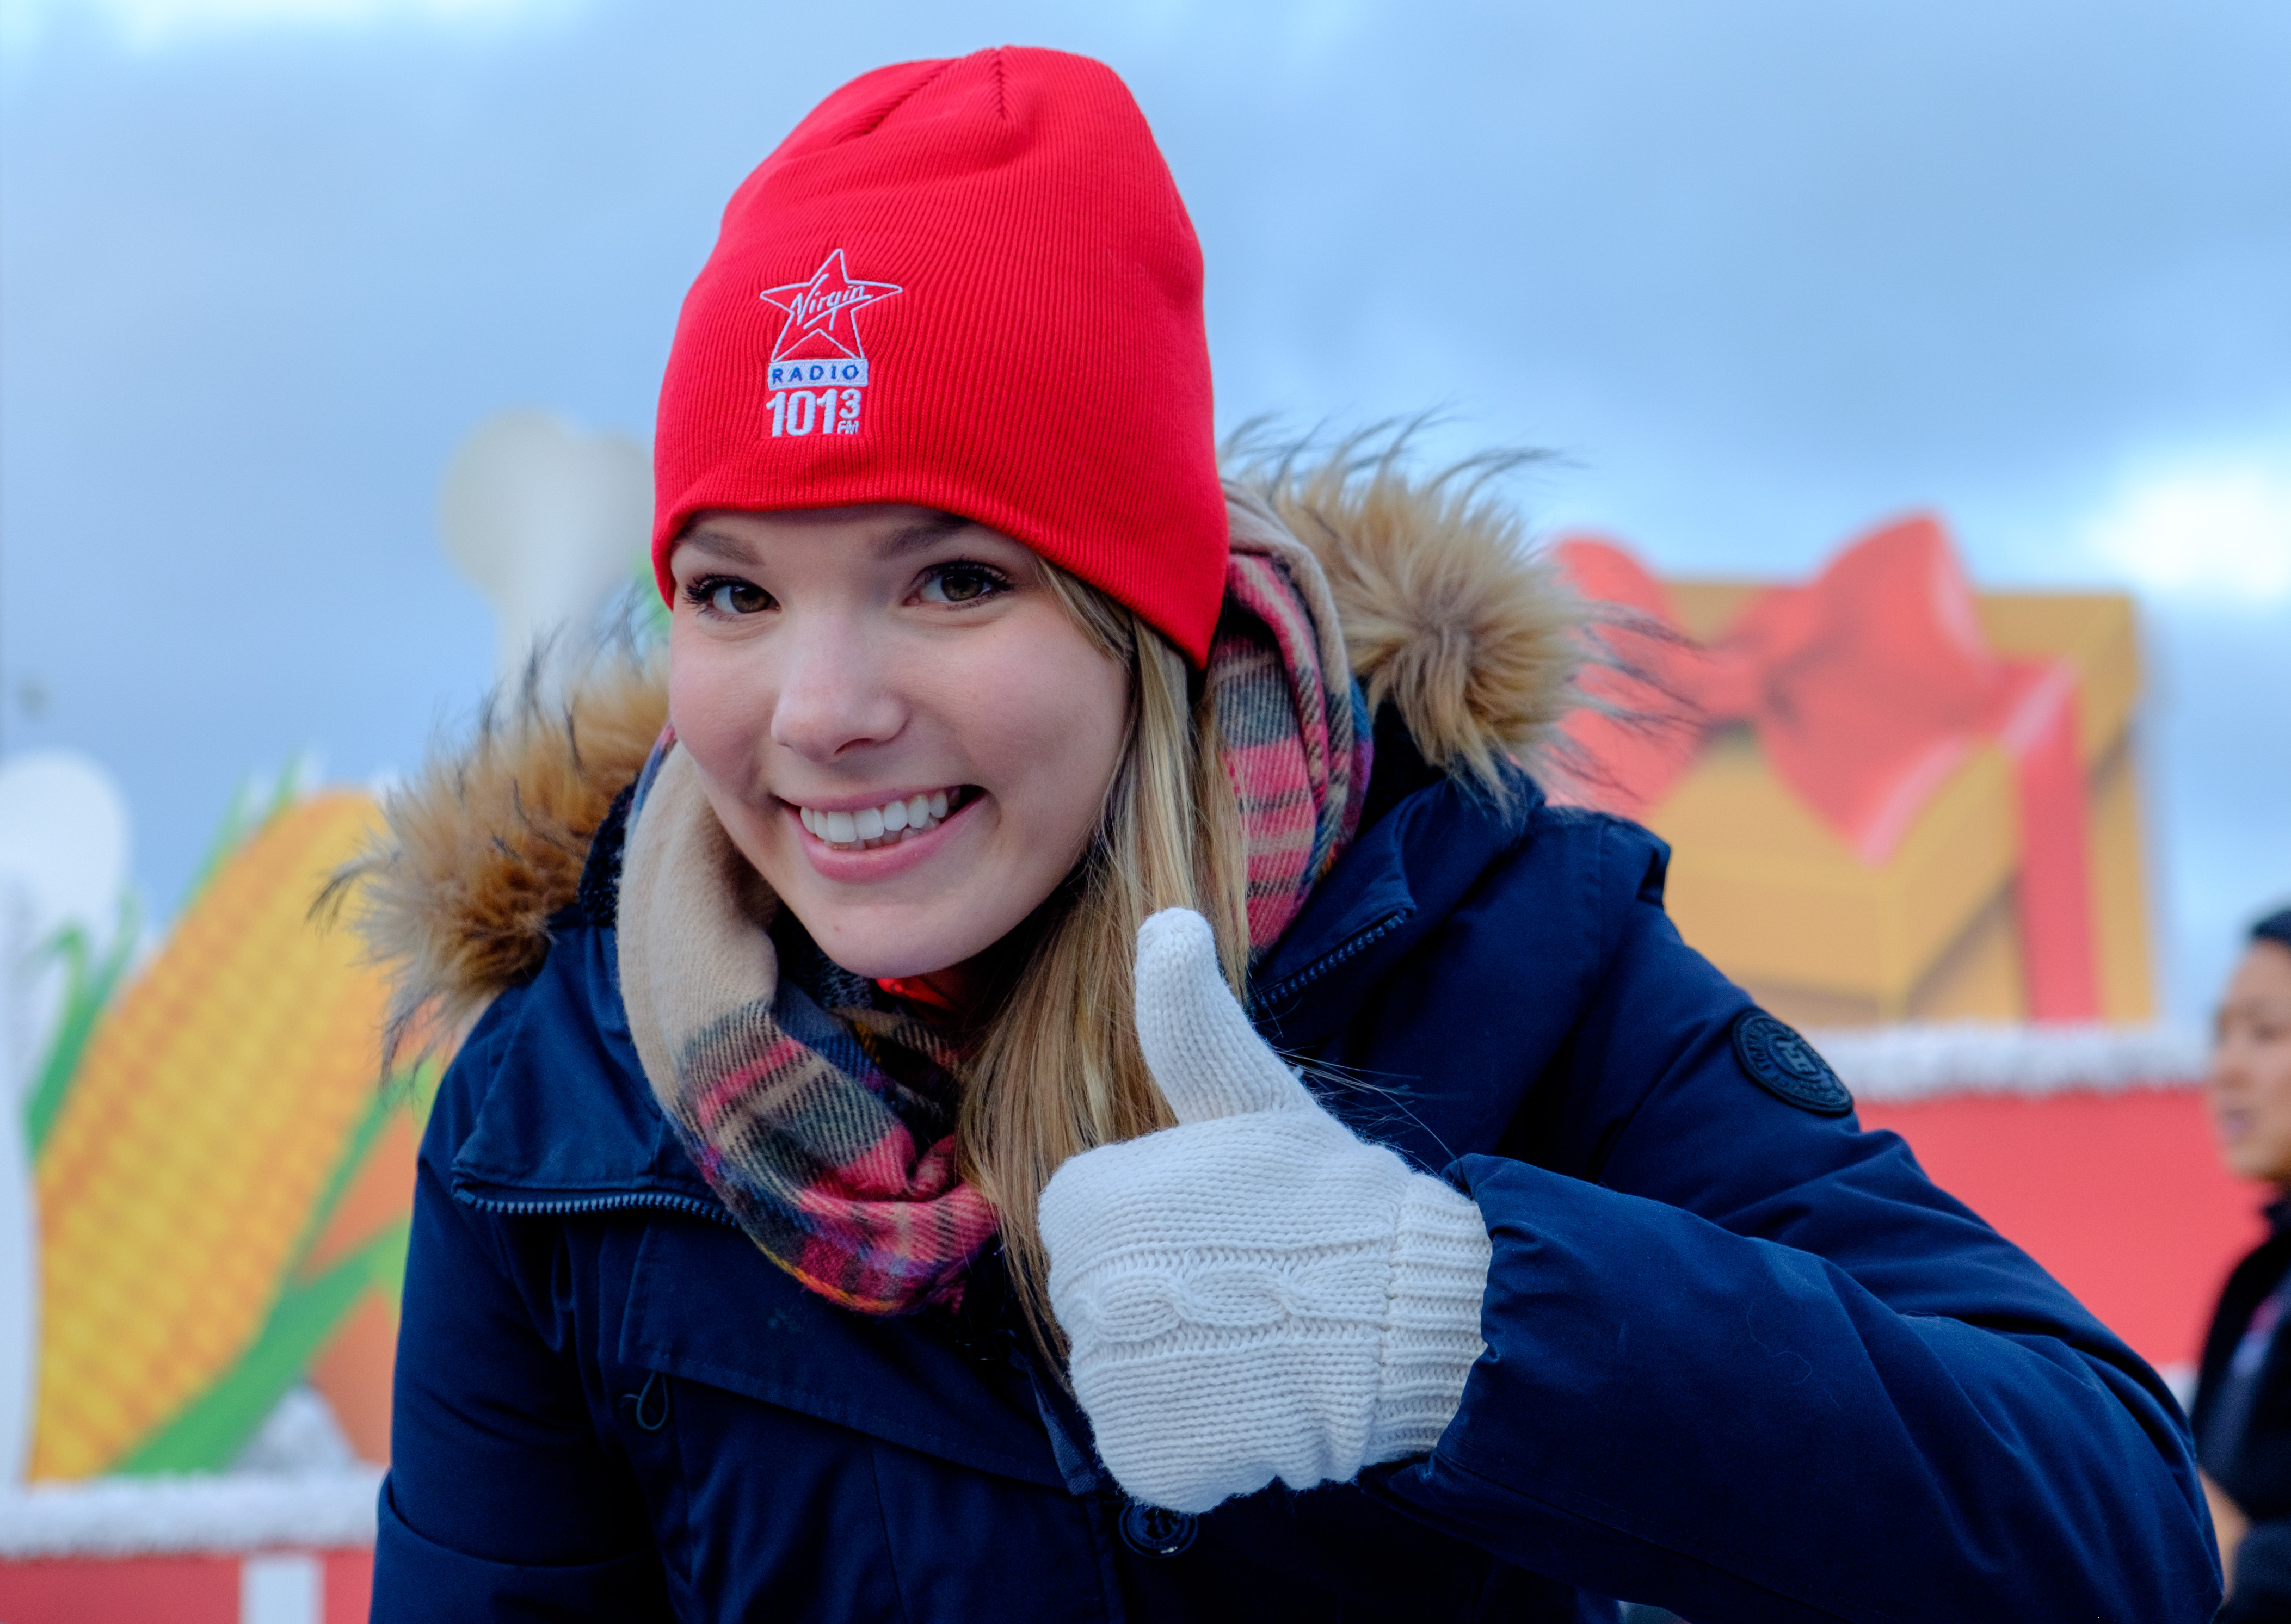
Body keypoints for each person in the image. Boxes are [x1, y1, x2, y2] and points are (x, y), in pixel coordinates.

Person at [349, 47, 2218, 1622]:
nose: (818, 706)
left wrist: (1458, 1318)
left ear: (1140, 604)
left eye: (952, 578)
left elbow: (2108, 1523)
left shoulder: (1501, 949)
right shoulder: (553, 1121)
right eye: (732, 590)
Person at [2198, 907, 2291, 1619]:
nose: (2226, 1067)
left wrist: (2238, 1559)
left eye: (2264, 1032)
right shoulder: (2258, 1278)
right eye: (2220, 1032)